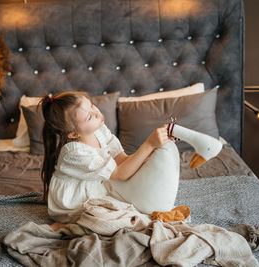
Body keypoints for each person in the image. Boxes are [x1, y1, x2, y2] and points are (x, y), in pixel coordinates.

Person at [40, 91, 222, 227]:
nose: (97, 113)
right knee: (112, 220)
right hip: (73, 204)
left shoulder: (100, 131)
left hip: (104, 183)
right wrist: (148, 145)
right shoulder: (74, 152)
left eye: (92, 105)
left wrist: (153, 149)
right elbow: (120, 174)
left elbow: (122, 160)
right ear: (73, 133)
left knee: (158, 155)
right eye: (89, 116)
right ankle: (67, 223)